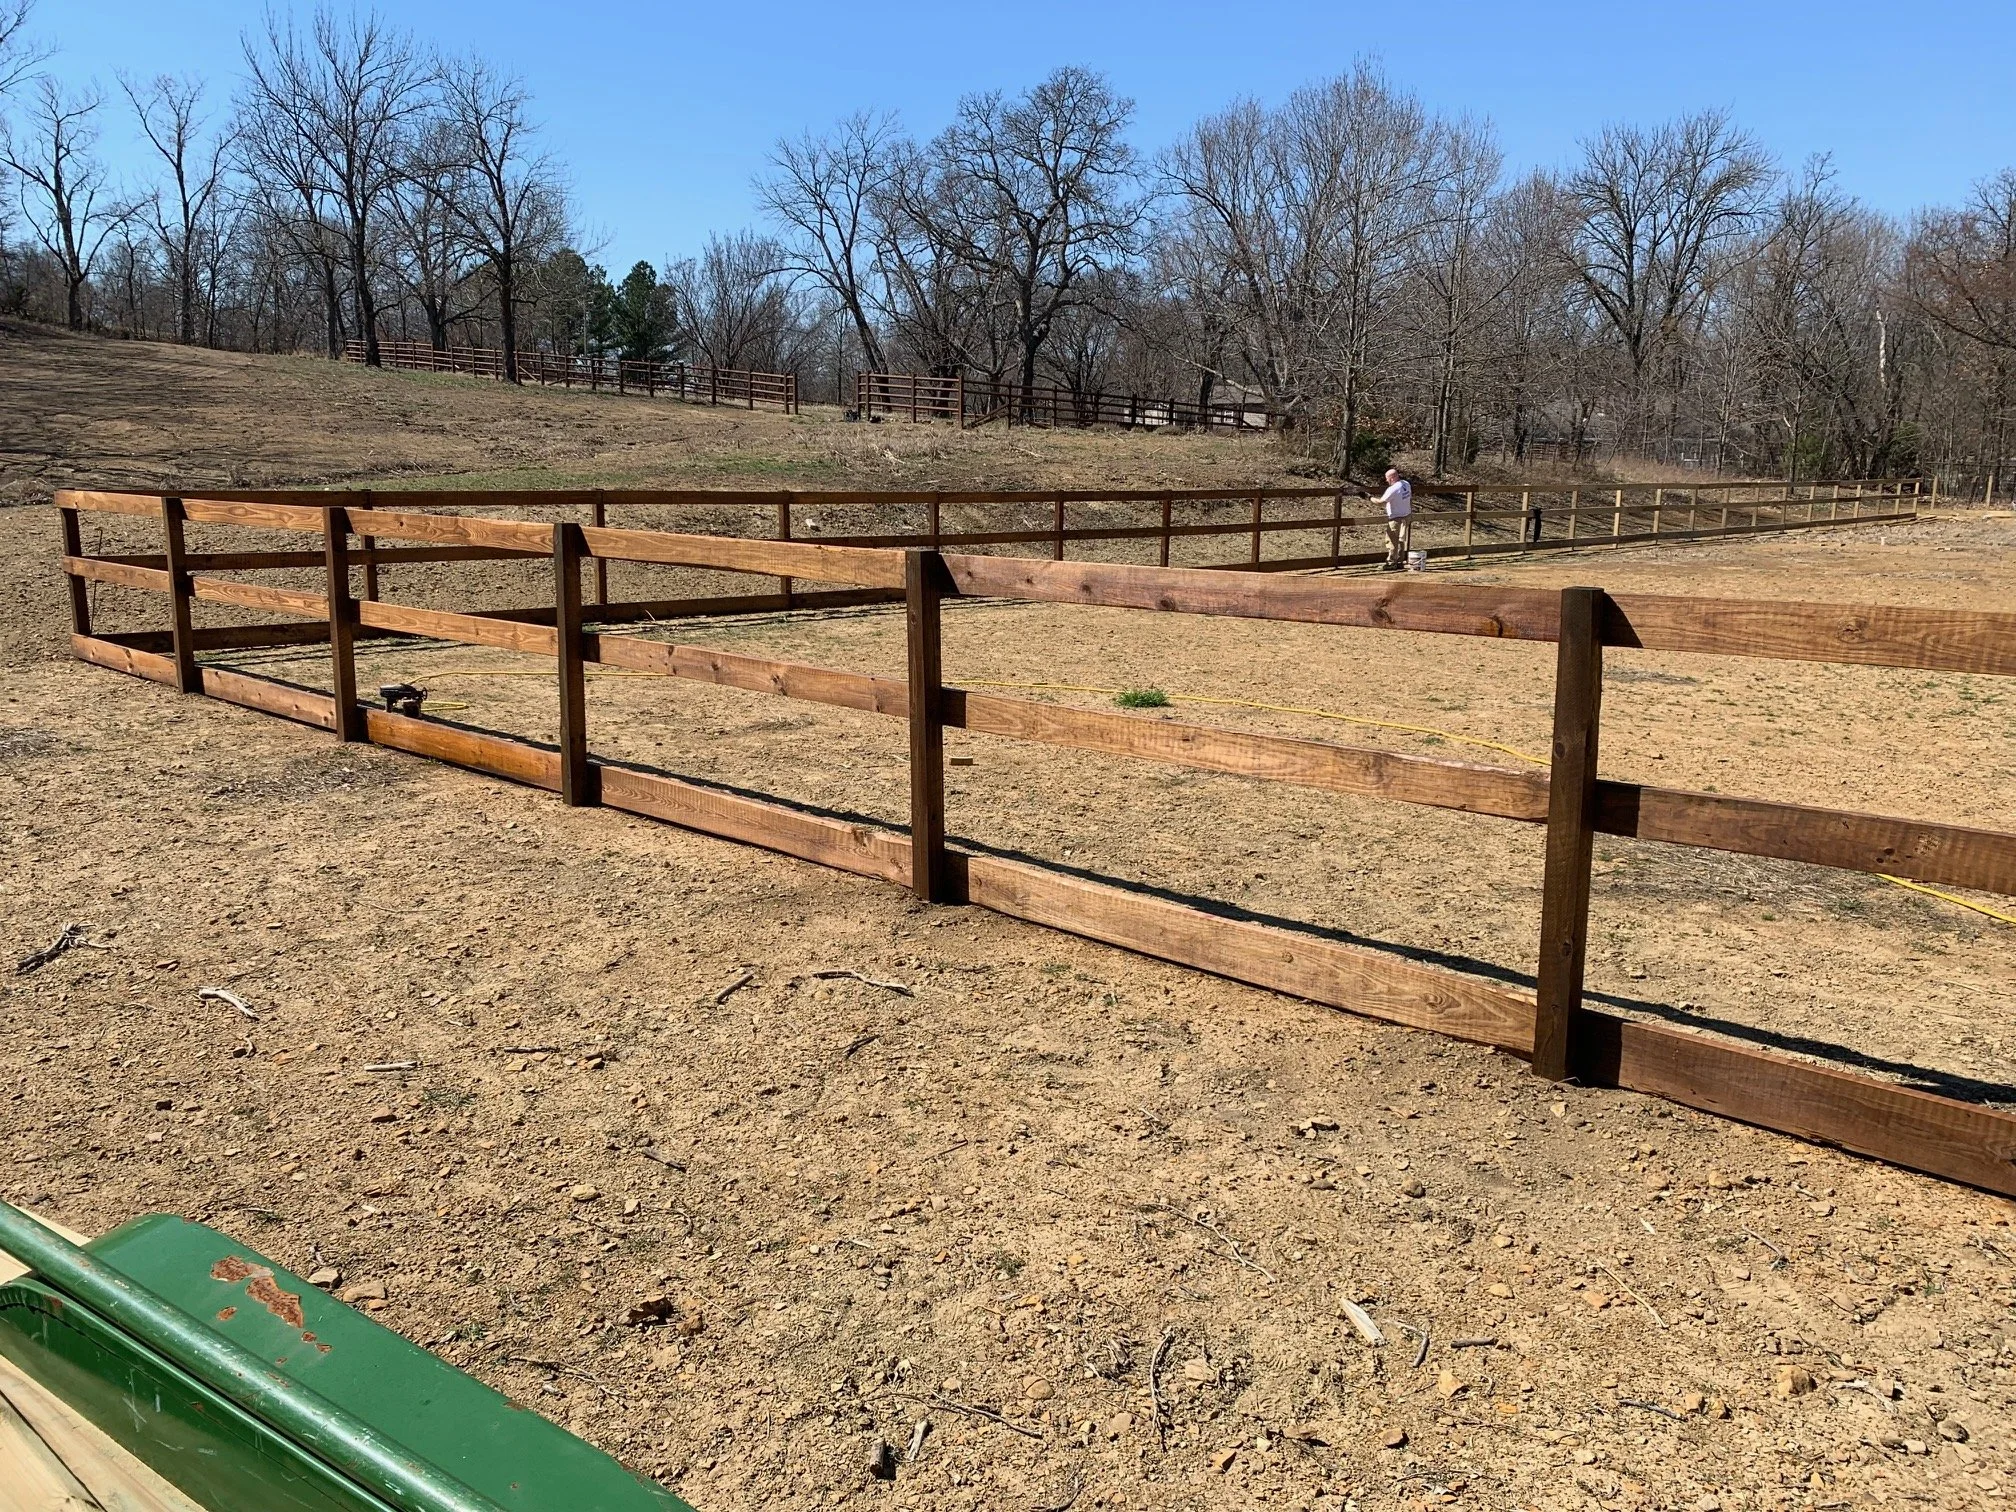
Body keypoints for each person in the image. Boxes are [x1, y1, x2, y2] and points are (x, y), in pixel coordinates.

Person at [1377, 468, 1413, 570]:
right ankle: (1400, 561)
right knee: (1402, 539)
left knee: (1392, 540)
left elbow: (1381, 503)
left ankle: (1391, 562)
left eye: (1387, 479)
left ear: (1392, 478)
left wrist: (1369, 498)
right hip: (1406, 516)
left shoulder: (1392, 489)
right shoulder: (1406, 484)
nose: (1387, 481)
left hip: (1395, 518)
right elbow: (1410, 498)